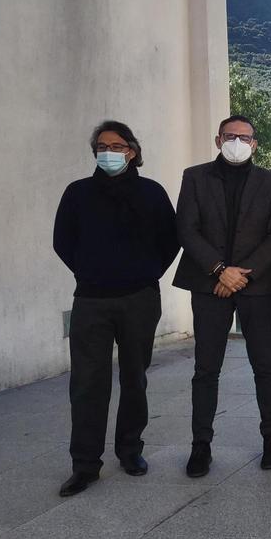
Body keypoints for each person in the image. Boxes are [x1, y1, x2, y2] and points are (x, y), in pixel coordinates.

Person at [52, 121, 179, 496]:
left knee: (134, 377)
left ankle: (130, 450)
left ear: (133, 151)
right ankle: (85, 465)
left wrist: (146, 272)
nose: (109, 152)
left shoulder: (152, 193)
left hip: (139, 298)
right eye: (102, 146)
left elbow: (170, 241)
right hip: (90, 300)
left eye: (118, 145)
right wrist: (90, 270)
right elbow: (63, 240)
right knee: (87, 384)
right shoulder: (77, 193)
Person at [173, 115, 271, 477]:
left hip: (255, 286)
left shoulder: (270, 182)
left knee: (265, 365)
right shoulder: (195, 177)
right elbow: (186, 228)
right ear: (218, 138)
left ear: (255, 144)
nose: (237, 141)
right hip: (209, 284)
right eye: (230, 136)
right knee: (206, 369)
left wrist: (241, 273)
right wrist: (220, 270)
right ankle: (201, 446)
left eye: (244, 137)